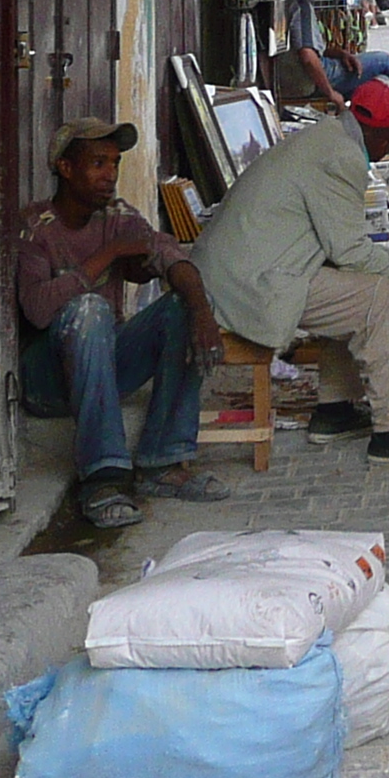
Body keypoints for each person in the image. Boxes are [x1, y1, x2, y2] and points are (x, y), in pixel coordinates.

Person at [195, 80, 389, 463]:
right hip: (248, 287)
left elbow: (341, 246)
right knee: (376, 296)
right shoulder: (341, 157)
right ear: (384, 133)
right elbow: (351, 252)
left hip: (240, 273)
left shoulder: (328, 137)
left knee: (354, 289)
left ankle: (335, 410)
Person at [15, 117, 233, 528]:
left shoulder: (118, 215)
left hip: (106, 364)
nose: (109, 176)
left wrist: (202, 314)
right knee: (90, 310)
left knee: (186, 302)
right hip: (47, 379)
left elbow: (173, 258)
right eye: (98, 164)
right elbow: (38, 310)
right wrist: (111, 254)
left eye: (114, 164)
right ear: (65, 168)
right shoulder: (35, 227)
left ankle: (162, 462)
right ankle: (103, 478)